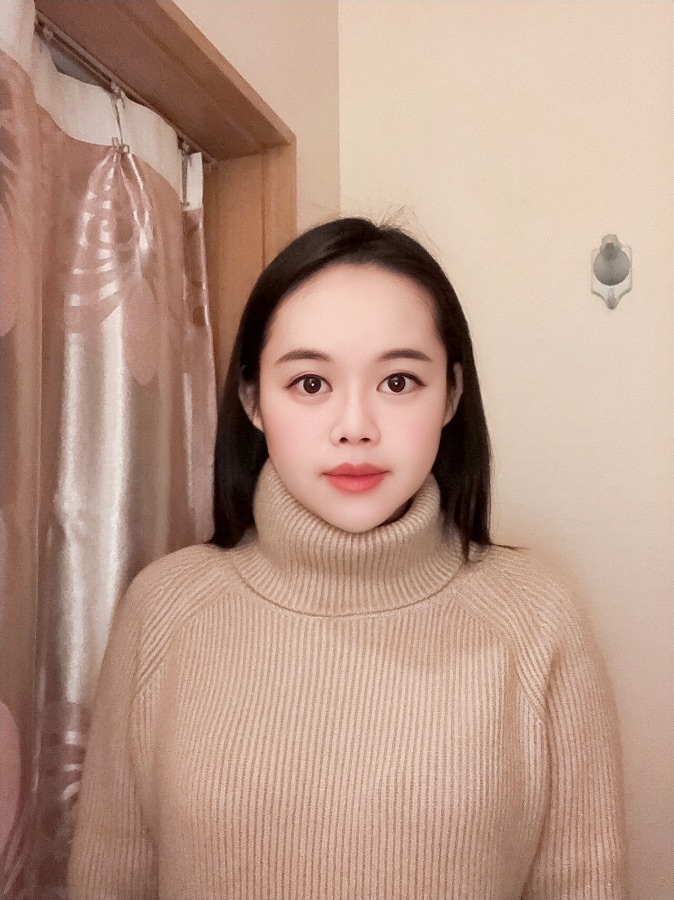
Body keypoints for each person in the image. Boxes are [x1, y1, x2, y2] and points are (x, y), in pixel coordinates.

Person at [68, 217, 628, 899]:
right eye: (310, 384)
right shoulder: (164, 608)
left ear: (452, 395)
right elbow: (110, 879)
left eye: (399, 382)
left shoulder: (539, 616)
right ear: (252, 399)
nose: (355, 427)